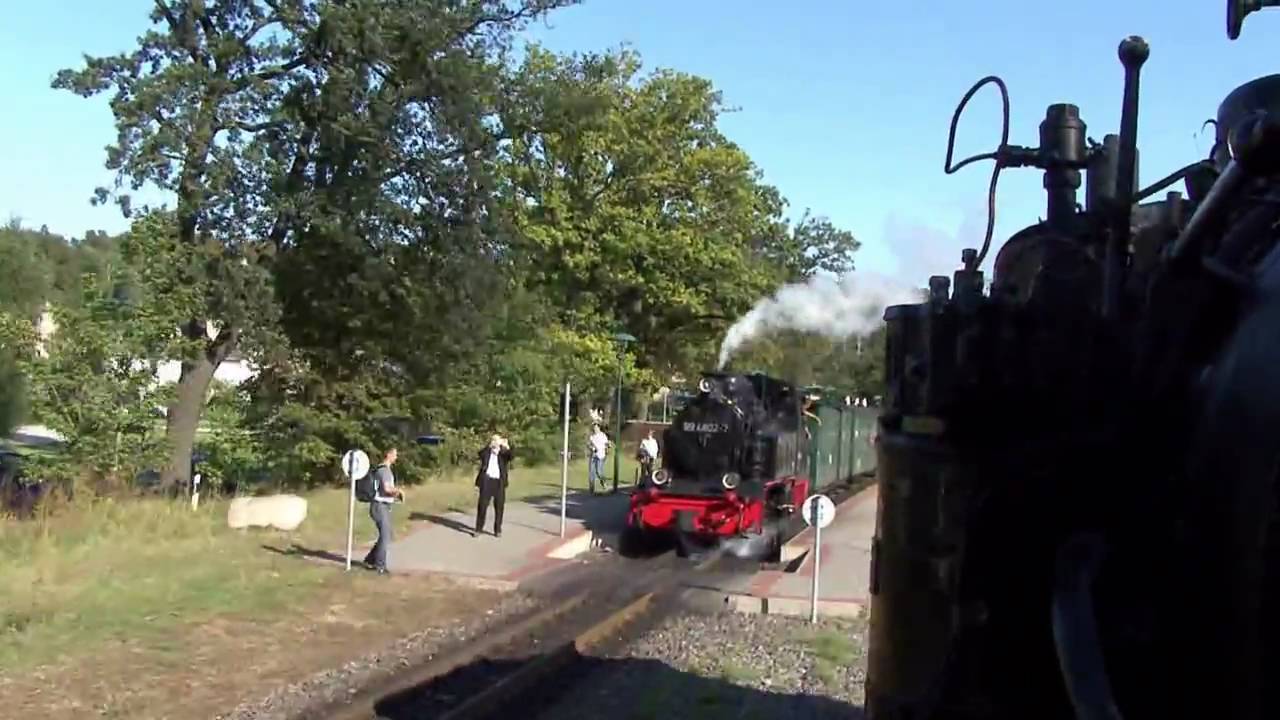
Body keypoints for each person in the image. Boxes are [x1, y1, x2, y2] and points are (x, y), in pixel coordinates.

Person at [364, 447, 404, 574]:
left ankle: (370, 559)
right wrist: (398, 492)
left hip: (381, 505)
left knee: (387, 535)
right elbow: (386, 489)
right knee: (385, 536)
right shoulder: (384, 471)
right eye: (394, 455)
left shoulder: (381, 469)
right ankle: (380, 566)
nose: (396, 457)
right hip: (379, 506)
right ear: (388, 455)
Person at [475, 434, 513, 537]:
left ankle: (497, 530)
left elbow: (510, 456)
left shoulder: (502, 453)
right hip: (487, 481)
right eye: (494, 440)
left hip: (499, 482)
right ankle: (478, 529)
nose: (495, 442)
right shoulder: (487, 452)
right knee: (482, 506)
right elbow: (480, 454)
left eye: (497, 440)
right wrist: (489, 446)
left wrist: (506, 446)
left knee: (499, 507)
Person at [587, 423, 610, 494]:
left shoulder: (603, 435)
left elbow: (607, 444)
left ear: (599, 428)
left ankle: (604, 483)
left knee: (599, 471)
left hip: (601, 455)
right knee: (591, 472)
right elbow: (589, 445)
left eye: (596, 428)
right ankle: (591, 488)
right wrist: (591, 447)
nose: (595, 429)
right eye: (594, 428)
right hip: (594, 455)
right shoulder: (592, 437)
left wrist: (607, 449)